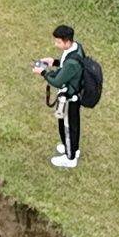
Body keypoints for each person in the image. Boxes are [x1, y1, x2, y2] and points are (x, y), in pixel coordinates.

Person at [36, 23, 88, 168]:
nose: (56, 44)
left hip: (70, 98)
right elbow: (67, 66)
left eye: (58, 41)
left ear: (67, 41)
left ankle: (70, 158)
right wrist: (54, 62)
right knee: (73, 125)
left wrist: (43, 72)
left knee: (67, 127)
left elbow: (57, 82)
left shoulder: (71, 62)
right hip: (75, 95)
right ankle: (71, 148)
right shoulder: (77, 47)